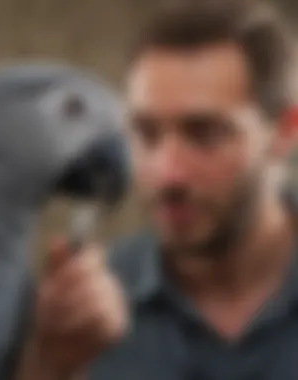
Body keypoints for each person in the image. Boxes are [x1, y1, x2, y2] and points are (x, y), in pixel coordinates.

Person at [19, 0, 298, 378]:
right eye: (146, 134)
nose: (167, 175)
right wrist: (52, 366)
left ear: (284, 131)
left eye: (205, 135)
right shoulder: (83, 321)